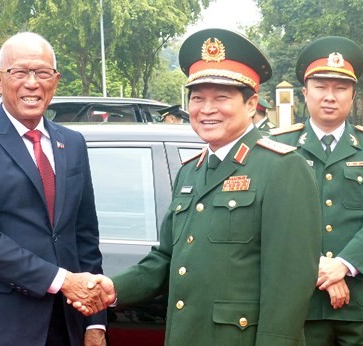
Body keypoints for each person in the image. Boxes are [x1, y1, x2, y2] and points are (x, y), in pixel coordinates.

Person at [78, 28, 323, 345]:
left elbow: (288, 285)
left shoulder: (282, 168)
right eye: (197, 98)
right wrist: (113, 289)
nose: (207, 109)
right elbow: (164, 259)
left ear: (251, 105)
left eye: (221, 97)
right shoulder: (190, 172)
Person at [0, 32, 107, 346]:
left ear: (55, 80)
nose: (32, 83)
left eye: (42, 73)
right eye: (19, 72)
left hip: (64, 325)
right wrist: (62, 281)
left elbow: (84, 235)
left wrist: (94, 324)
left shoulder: (72, 143)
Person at [270, 36, 363, 346]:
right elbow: (270, 218)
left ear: (353, 95)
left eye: (340, 88)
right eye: (320, 87)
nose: (330, 96)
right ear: (304, 93)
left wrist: (342, 265)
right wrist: (319, 269)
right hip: (301, 302)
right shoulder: (278, 146)